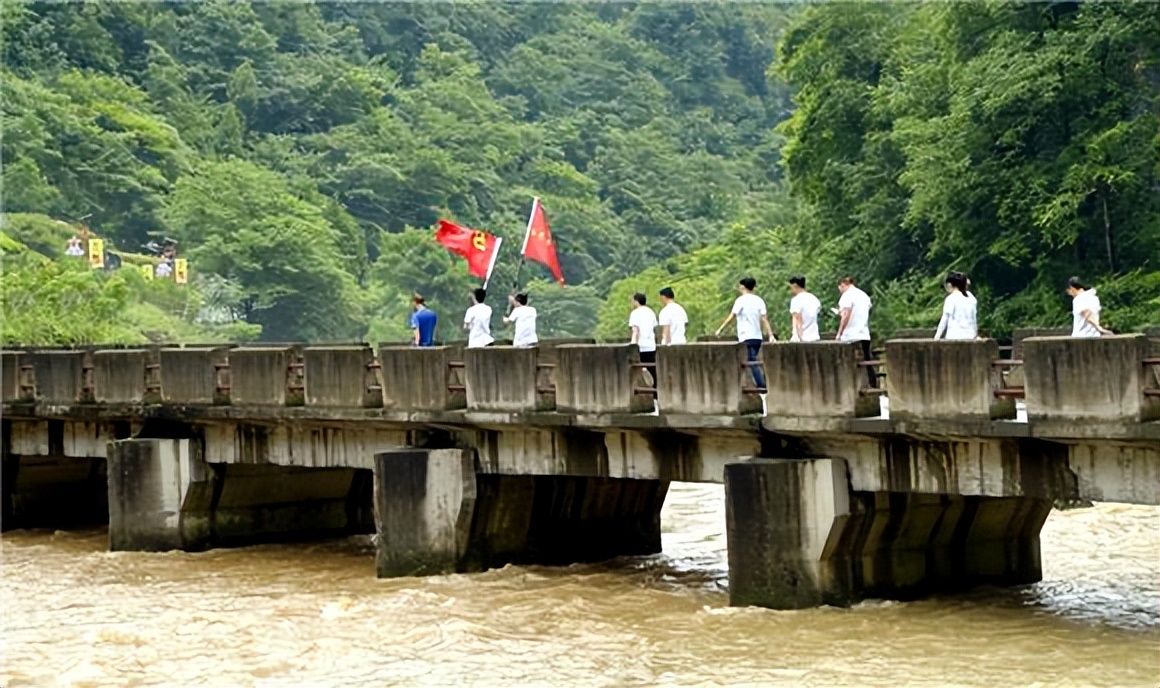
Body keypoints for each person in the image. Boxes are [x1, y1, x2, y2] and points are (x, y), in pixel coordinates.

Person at [715, 277, 774, 389]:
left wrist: (721, 329)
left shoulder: (741, 300)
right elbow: (764, 319)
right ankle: (757, 382)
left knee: (751, 360)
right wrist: (770, 335)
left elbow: (732, 316)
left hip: (746, 336)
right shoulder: (759, 300)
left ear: (742, 287)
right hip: (757, 337)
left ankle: (761, 384)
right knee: (752, 360)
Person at [836, 277, 875, 386]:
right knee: (868, 362)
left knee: (849, 364)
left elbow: (846, 314)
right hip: (864, 333)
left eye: (840, 288)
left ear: (843, 285)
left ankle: (853, 387)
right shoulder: (864, 295)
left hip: (850, 335)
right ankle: (873, 386)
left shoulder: (847, 296)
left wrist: (839, 333)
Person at [934, 272, 977, 340]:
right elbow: (974, 319)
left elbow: (944, 319)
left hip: (954, 336)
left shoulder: (951, 299)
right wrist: (975, 334)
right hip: (970, 336)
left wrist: (937, 336)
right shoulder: (971, 298)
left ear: (950, 285)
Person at [629, 293, 659, 389]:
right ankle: (655, 395)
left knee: (637, 370)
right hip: (651, 345)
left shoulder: (635, 313)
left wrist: (633, 345)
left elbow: (636, 331)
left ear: (636, 301)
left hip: (640, 346)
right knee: (653, 371)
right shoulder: (651, 312)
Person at [787, 276, 821, 342]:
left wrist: (800, 337)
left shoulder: (796, 300)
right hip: (814, 336)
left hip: (801, 338)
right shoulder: (814, 299)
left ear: (795, 286)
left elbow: (798, 319)